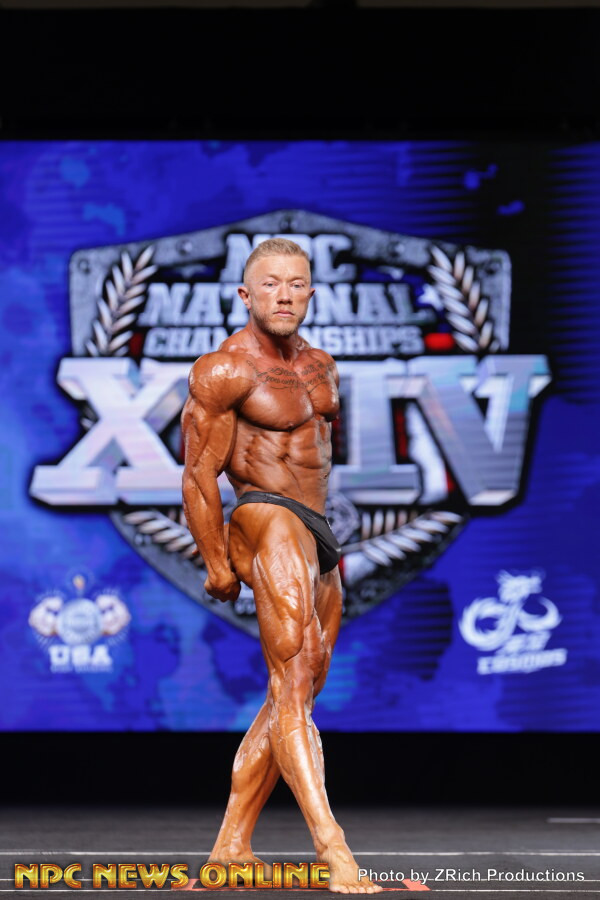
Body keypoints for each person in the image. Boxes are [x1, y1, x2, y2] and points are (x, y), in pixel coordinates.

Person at [181, 237, 382, 894]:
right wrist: (217, 562)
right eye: (270, 283)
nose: (284, 294)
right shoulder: (223, 371)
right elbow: (198, 476)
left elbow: (317, 458)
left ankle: (231, 846)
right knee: (293, 679)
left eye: (296, 283)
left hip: (315, 531)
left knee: (294, 691)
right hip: (263, 515)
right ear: (246, 294)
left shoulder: (322, 367)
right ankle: (334, 847)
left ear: (312, 293)